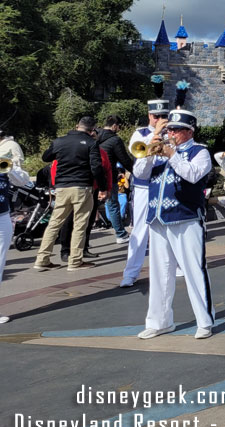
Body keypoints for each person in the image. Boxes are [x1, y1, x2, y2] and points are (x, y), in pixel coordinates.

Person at [133, 105, 216, 339]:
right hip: (158, 219)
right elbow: (139, 173)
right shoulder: (158, 149)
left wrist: (172, 155)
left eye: (177, 130)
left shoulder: (200, 152)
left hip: (186, 217)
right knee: (160, 273)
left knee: (194, 270)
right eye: (170, 130)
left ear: (189, 131)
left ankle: (204, 321)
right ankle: (159, 321)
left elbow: (192, 174)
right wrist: (152, 144)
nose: (172, 134)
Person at [34, 116, 108, 271]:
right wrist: (102, 187)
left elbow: (46, 157)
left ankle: (42, 259)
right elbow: (96, 167)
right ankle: (75, 261)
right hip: (82, 186)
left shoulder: (59, 141)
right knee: (80, 224)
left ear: (77, 126)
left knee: (55, 223)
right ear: (92, 130)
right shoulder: (91, 143)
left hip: (61, 187)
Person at [121, 98, 170, 287]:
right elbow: (137, 155)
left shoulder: (172, 133)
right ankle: (130, 273)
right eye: (156, 116)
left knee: (168, 228)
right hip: (143, 186)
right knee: (140, 231)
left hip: (165, 186)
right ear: (149, 115)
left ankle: (173, 268)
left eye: (163, 116)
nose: (159, 119)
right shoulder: (139, 133)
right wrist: (155, 135)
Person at [1, 161, 33, 322]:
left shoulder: (2, 164)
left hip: (2, 216)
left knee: (0, 262)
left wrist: (10, 168)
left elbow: (23, 181)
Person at [96, 115, 135, 244]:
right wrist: (135, 170)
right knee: (112, 205)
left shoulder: (95, 136)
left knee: (90, 208)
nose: (119, 129)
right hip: (108, 176)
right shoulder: (114, 140)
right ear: (114, 126)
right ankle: (120, 233)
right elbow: (124, 159)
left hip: (92, 176)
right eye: (119, 127)